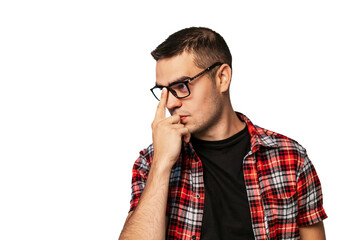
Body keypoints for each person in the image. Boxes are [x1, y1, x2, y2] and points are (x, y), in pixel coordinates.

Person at [119, 27, 327, 240]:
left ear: (222, 78)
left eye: (181, 86)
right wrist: (161, 165)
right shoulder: (150, 162)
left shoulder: (290, 158)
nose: (170, 103)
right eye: (164, 91)